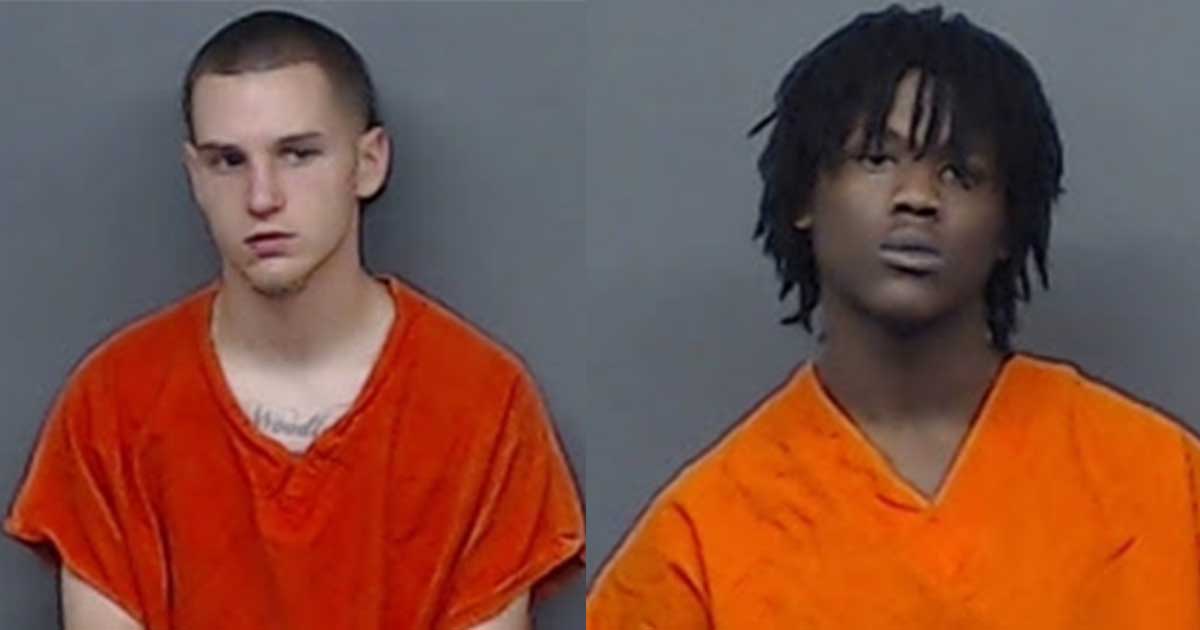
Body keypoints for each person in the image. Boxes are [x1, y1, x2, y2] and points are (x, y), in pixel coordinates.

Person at [587, 5, 1200, 627]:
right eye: (877, 158)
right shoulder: (698, 546)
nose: (917, 198)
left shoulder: (1160, 483)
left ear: (1008, 225)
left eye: (959, 173)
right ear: (804, 196)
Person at [6, 10, 583, 630]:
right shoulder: (113, 402)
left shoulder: (484, 403)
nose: (262, 197)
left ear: (368, 162)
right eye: (228, 161)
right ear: (195, 177)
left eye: (298, 154)